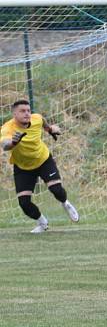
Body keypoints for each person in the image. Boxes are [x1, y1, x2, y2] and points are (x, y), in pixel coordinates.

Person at [0, 99, 80, 232]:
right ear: (14, 114)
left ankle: (65, 203)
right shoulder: (7, 128)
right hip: (23, 167)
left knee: (56, 190)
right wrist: (14, 142)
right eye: (22, 111)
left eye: (28, 110)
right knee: (24, 203)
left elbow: (43, 122)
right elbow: (4, 145)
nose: (27, 113)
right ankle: (42, 223)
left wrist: (50, 129)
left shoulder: (36, 119)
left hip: (43, 160)